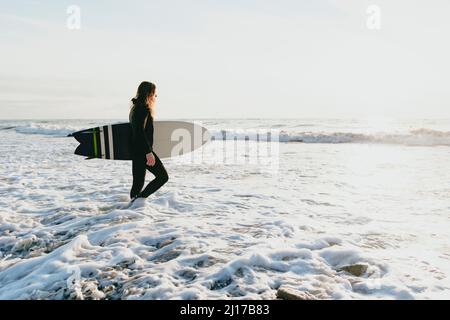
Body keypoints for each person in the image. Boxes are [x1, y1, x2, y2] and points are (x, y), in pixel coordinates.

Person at [129, 81, 169, 202]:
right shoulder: (144, 109)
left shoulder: (135, 108)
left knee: (138, 183)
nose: (155, 97)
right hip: (143, 151)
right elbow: (140, 132)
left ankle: (132, 209)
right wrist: (148, 152)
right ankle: (139, 202)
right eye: (154, 94)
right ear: (149, 94)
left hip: (136, 150)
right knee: (163, 177)